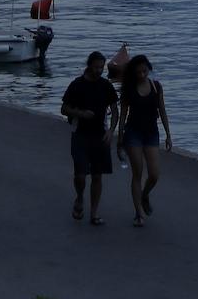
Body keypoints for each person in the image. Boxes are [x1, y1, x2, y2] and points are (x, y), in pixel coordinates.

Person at [61, 51, 119, 225]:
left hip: (100, 135)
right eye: (95, 67)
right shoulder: (77, 85)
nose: (98, 71)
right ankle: (79, 197)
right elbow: (64, 109)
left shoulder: (106, 85)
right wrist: (80, 113)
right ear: (89, 65)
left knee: (97, 175)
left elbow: (115, 111)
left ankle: (94, 213)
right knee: (80, 174)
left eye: (101, 67)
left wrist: (111, 131)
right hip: (80, 134)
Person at [117, 54, 172, 227]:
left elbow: (162, 110)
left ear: (149, 69)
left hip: (151, 133)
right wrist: (120, 140)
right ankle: (138, 213)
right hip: (133, 133)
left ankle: (144, 195)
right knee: (137, 173)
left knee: (154, 174)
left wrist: (168, 134)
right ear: (133, 73)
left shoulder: (156, 87)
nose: (142, 75)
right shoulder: (129, 89)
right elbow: (123, 115)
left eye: (144, 71)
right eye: (138, 72)